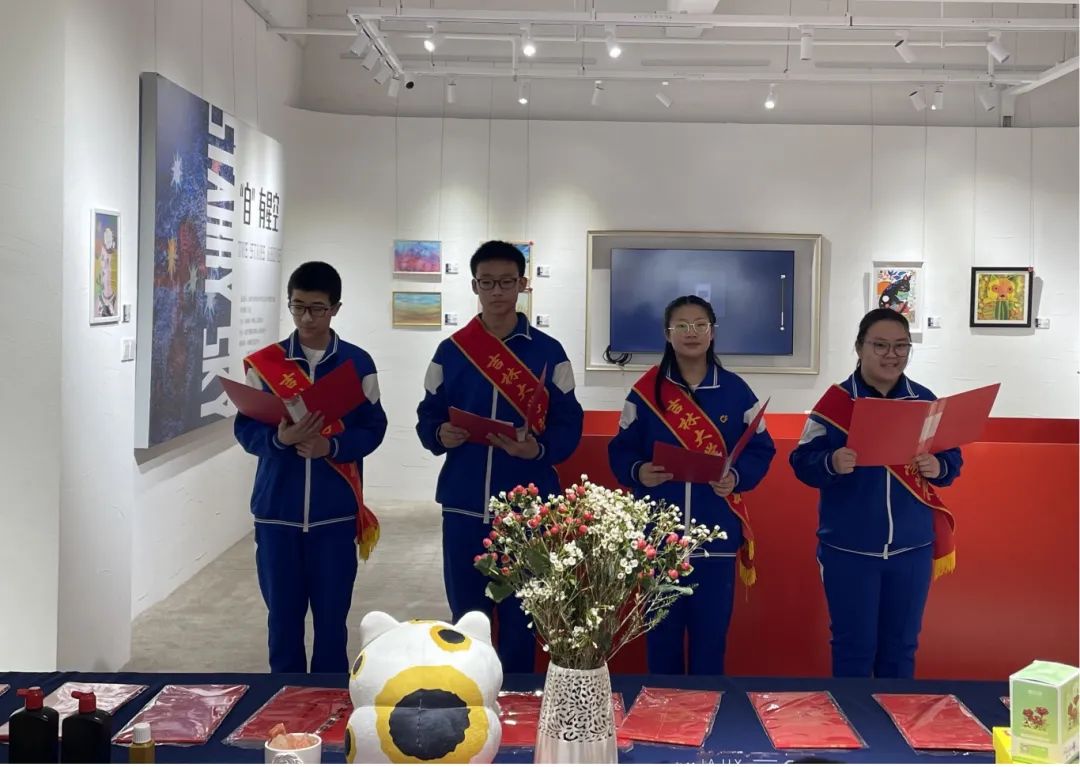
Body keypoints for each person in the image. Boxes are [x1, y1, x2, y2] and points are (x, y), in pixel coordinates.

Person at [416, 240, 584, 673]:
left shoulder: (549, 352)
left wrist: (539, 449)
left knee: (522, 615)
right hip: (464, 502)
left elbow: (570, 423)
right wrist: (439, 433)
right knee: (466, 617)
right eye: (487, 283)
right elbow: (427, 415)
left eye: (506, 282)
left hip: (528, 506)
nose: (497, 292)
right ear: (474, 286)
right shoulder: (451, 351)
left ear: (522, 285)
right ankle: (470, 691)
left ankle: (519, 699)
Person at [789, 308, 963, 678]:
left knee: (901, 649)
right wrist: (831, 461)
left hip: (912, 549)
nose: (891, 355)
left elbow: (952, 458)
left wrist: (939, 467)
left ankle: (896, 717)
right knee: (853, 649)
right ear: (859, 347)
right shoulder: (834, 404)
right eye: (880, 345)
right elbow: (801, 461)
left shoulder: (924, 400)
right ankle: (853, 717)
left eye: (901, 346)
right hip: (848, 551)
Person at [607, 295, 776, 675]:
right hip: (658, 537)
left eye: (700, 324)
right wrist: (638, 471)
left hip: (715, 535)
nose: (691, 332)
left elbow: (761, 450)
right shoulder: (645, 392)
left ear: (712, 332)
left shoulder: (736, 391)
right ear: (667, 334)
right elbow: (620, 450)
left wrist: (736, 477)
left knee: (710, 642)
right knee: (661, 638)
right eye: (681, 325)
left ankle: (707, 710)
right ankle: (660, 709)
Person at [234, 261, 387, 673]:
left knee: (332, 624)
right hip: (276, 514)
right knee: (282, 622)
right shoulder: (265, 366)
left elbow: (374, 428)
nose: (306, 318)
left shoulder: (358, 364)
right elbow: (245, 428)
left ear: (335, 308)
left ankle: (328, 702)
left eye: (317, 308)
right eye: (298, 306)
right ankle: (283, 701)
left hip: (334, 517)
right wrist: (279, 441)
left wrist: (330, 446)